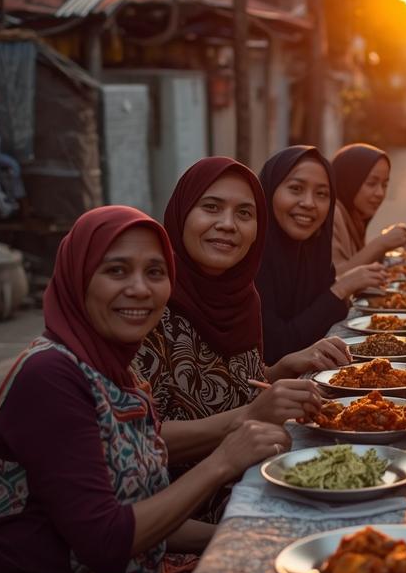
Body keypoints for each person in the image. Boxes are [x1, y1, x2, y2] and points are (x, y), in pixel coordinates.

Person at [0, 206, 290, 573]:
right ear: (76, 277)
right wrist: (222, 462)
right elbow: (109, 537)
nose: (138, 289)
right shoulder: (49, 377)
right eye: (116, 271)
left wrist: (248, 541)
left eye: (154, 273)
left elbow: (143, 511)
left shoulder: (116, 371)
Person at [135, 157, 351, 477]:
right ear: (181, 213)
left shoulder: (242, 295)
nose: (227, 224)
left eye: (244, 213)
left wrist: (282, 368)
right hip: (185, 502)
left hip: (257, 468)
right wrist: (249, 414)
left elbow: (231, 382)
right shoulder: (147, 303)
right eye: (211, 207)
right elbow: (134, 438)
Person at [255, 146, 384, 363]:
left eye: (322, 194)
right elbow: (276, 346)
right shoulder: (251, 258)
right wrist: (340, 288)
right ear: (269, 191)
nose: (309, 203)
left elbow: (323, 323)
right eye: (296, 189)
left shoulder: (313, 251)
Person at [330, 143, 406, 271]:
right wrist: (381, 243)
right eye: (371, 183)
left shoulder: (354, 216)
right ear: (349, 181)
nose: (380, 193)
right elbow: (338, 278)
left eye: (384, 185)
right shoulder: (331, 214)